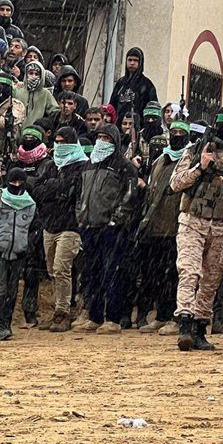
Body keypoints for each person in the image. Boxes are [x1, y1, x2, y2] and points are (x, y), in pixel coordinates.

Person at [170, 108, 223, 351]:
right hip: (193, 221)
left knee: (212, 281)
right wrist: (200, 168)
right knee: (190, 272)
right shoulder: (195, 151)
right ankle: (184, 323)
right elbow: (175, 183)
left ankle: (200, 327)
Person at [74, 122, 137, 334]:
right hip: (89, 226)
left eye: (107, 138)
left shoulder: (123, 165)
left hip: (112, 229)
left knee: (113, 273)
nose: (102, 142)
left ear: (115, 141)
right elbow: (81, 194)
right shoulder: (89, 164)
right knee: (92, 273)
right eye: (99, 137)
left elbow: (129, 196)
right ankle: (94, 315)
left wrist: (115, 220)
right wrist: (80, 217)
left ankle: (113, 318)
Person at [136, 118, 189, 334]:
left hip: (176, 227)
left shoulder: (187, 160)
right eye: (173, 131)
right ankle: (161, 316)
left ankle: (176, 319)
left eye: (180, 132)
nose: (176, 135)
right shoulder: (161, 160)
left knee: (173, 276)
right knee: (157, 276)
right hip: (156, 227)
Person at [31, 126, 86, 331]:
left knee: (61, 268)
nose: (60, 145)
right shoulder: (51, 165)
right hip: (50, 224)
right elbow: (36, 189)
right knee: (51, 270)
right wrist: (55, 187)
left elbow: (74, 192)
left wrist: (54, 188)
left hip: (71, 225)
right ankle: (57, 310)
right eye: (57, 141)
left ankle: (63, 312)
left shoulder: (81, 166)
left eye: (64, 142)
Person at [0, 166, 37, 341]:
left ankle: (7, 323)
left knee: (12, 290)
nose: (16, 185)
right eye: (13, 182)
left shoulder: (30, 204)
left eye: (20, 182)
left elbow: (34, 228)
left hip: (19, 252)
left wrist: (28, 245)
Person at [109, 47, 158, 119]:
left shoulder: (147, 85)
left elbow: (153, 109)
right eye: (130, 60)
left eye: (135, 60)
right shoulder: (121, 83)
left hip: (138, 125)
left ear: (140, 63)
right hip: (119, 125)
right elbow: (112, 106)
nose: (132, 63)